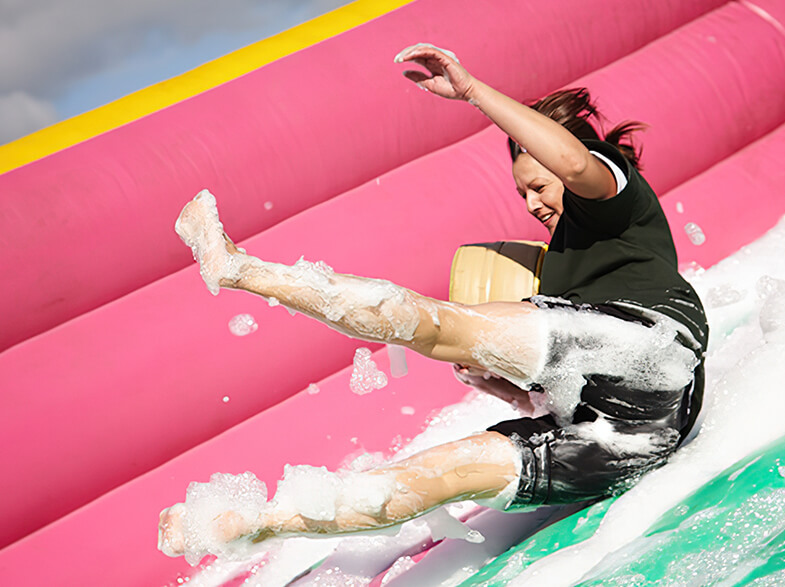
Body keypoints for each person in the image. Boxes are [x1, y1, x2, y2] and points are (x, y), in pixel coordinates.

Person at [158, 43, 707, 559]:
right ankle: (251, 521)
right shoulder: (558, 272)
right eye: (523, 194)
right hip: (632, 445)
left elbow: (571, 163)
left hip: (654, 349)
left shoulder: (616, 200)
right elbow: (585, 397)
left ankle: (240, 269)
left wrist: (473, 92)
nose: (533, 204)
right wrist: (515, 394)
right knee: (433, 480)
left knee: (441, 327)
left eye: (538, 186)